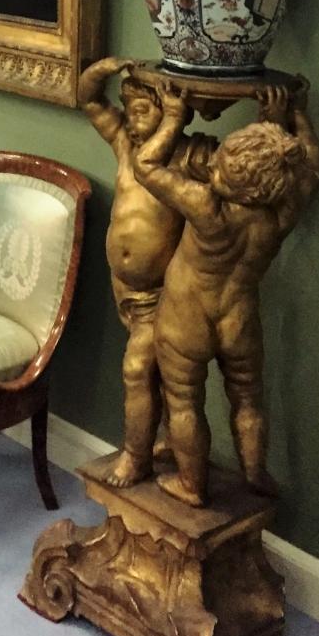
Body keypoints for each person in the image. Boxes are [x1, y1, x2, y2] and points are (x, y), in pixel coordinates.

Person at [132, 81, 319, 507]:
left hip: (186, 318)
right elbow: (315, 169)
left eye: (220, 164)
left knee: (184, 401)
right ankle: (255, 471)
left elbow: (145, 165)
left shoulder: (207, 206)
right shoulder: (278, 215)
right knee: (248, 397)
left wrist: (173, 118)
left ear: (226, 174)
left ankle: (192, 484)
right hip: (239, 319)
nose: (214, 167)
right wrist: (293, 117)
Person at [78, 58, 216, 488]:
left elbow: (233, 179)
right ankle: (169, 440)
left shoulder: (188, 157)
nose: (132, 120)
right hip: (125, 287)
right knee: (155, 373)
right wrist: (102, 68)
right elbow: (89, 99)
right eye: (129, 109)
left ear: (173, 111)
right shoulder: (126, 146)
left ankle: (135, 458)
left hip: (161, 293)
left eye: (142, 111)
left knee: (138, 369)